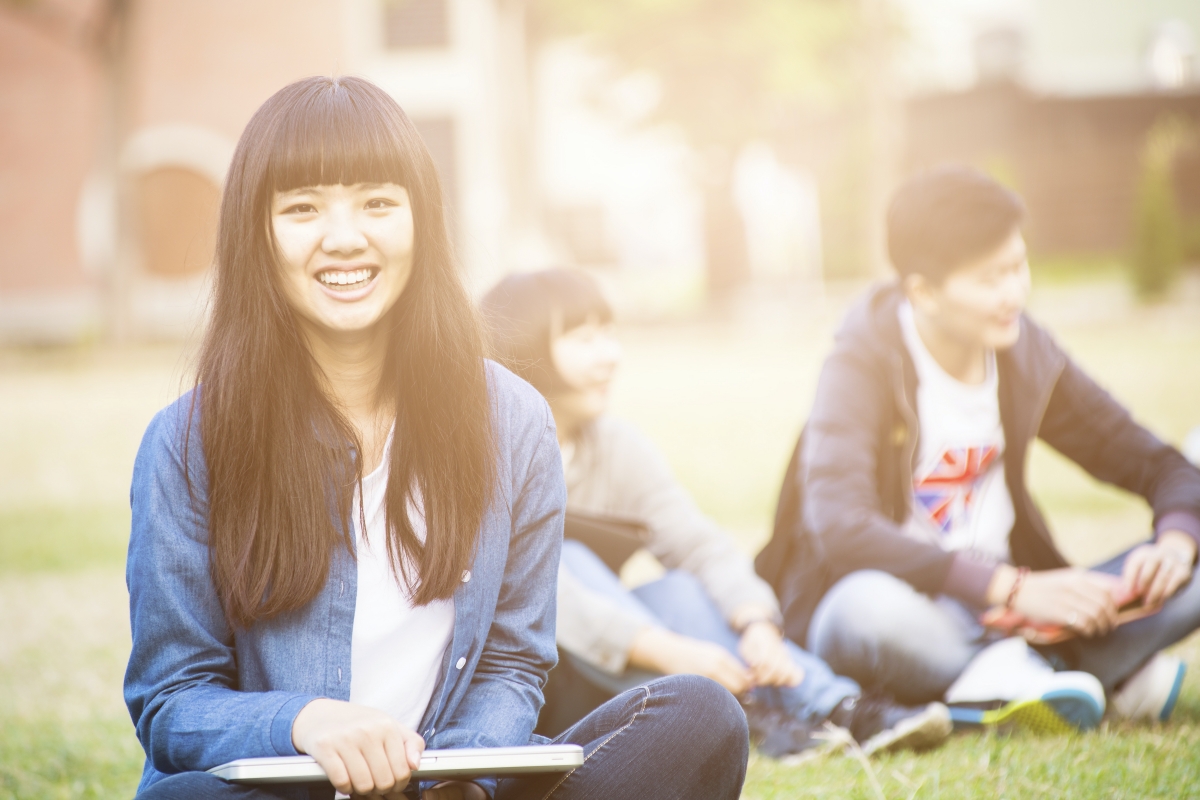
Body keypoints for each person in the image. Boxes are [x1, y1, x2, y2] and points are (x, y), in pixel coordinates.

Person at [123, 77, 750, 800]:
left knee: (698, 716)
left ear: (421, 220)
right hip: (284, 792)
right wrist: (305, 720)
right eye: (302, 209)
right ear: (256, 235)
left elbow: (513, 664)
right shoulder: (186, 443)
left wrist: (459, 782)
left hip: (454, 787)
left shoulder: (511, 419)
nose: (345, 237)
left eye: (377, 203)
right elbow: (173, 700)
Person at [758, 165, 1200, 731]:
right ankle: (1088, 674)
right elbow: (840, 525)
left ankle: (1031, 682)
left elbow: (1155, 463)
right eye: (990, 279)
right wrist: (1012, 588)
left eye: (1018, 268)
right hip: (924, 612)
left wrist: (1177, 544)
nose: (1013, 293)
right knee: (860, 611)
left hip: (1027, 615)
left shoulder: (1022, 350)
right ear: (923, 291)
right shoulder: (862, 361)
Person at [480, 269, 952, 760]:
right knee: (568, 558)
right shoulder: (491, 455)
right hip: (530, 688)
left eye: (610, 334)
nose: (611, 355)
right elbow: (547, 600)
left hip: (608, 670)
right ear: (527, 349)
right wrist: (673, 652)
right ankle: (750, 717)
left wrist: (757, 622)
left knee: (679, 590)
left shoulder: (612, 446)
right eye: (584, 339)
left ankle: (835, 708)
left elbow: (697, 543)